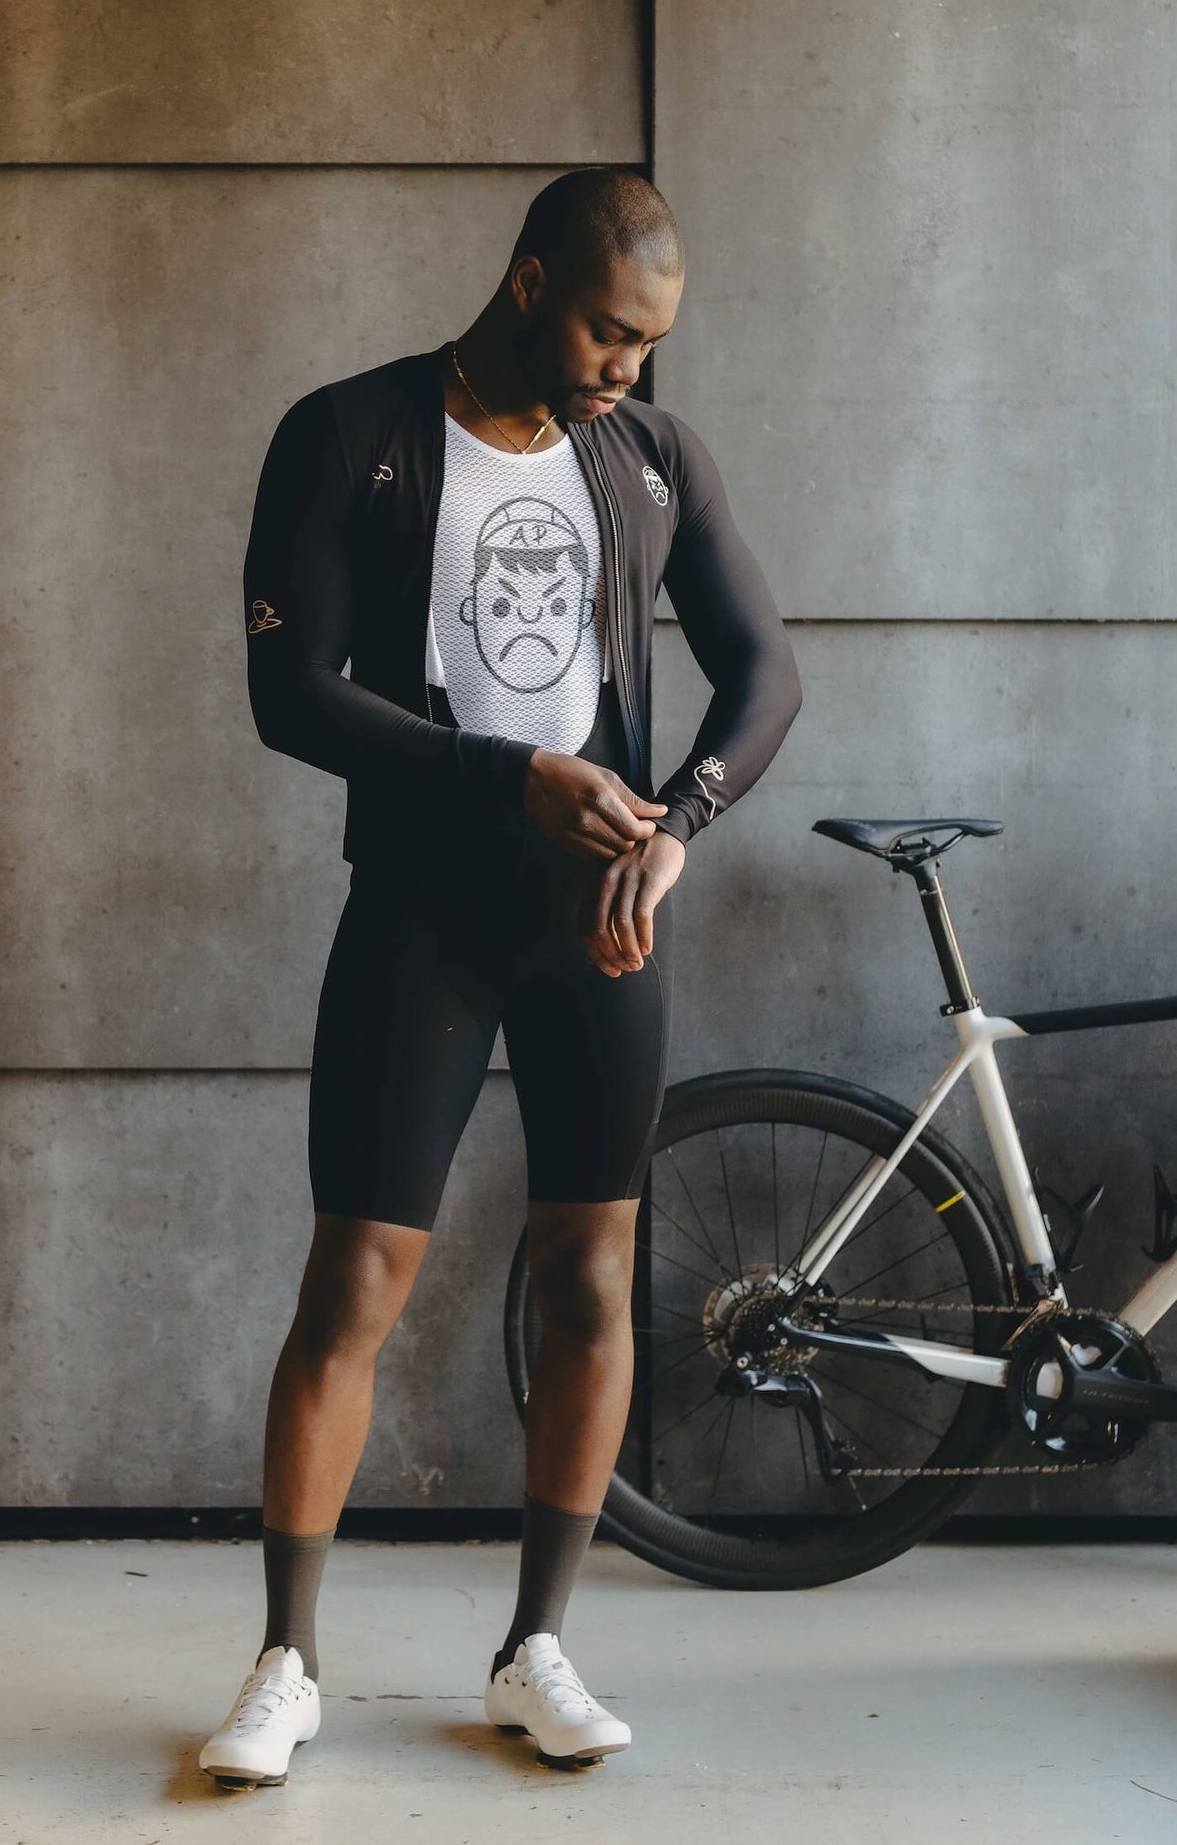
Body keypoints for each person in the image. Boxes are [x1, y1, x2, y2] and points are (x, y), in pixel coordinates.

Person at [200, 167, 802, 1789]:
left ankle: (539, 1645)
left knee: (592, 1282)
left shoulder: (651, 458)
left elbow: (766, 670)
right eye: (613, 331)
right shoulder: (350, 433)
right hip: (420, 916)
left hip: (596, 928)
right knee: (353, 1291)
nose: (630, 367)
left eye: (653, 342)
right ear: (531, 282)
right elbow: (289, 693)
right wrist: (510, 775)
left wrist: (674, 828)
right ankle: (284, 1662)